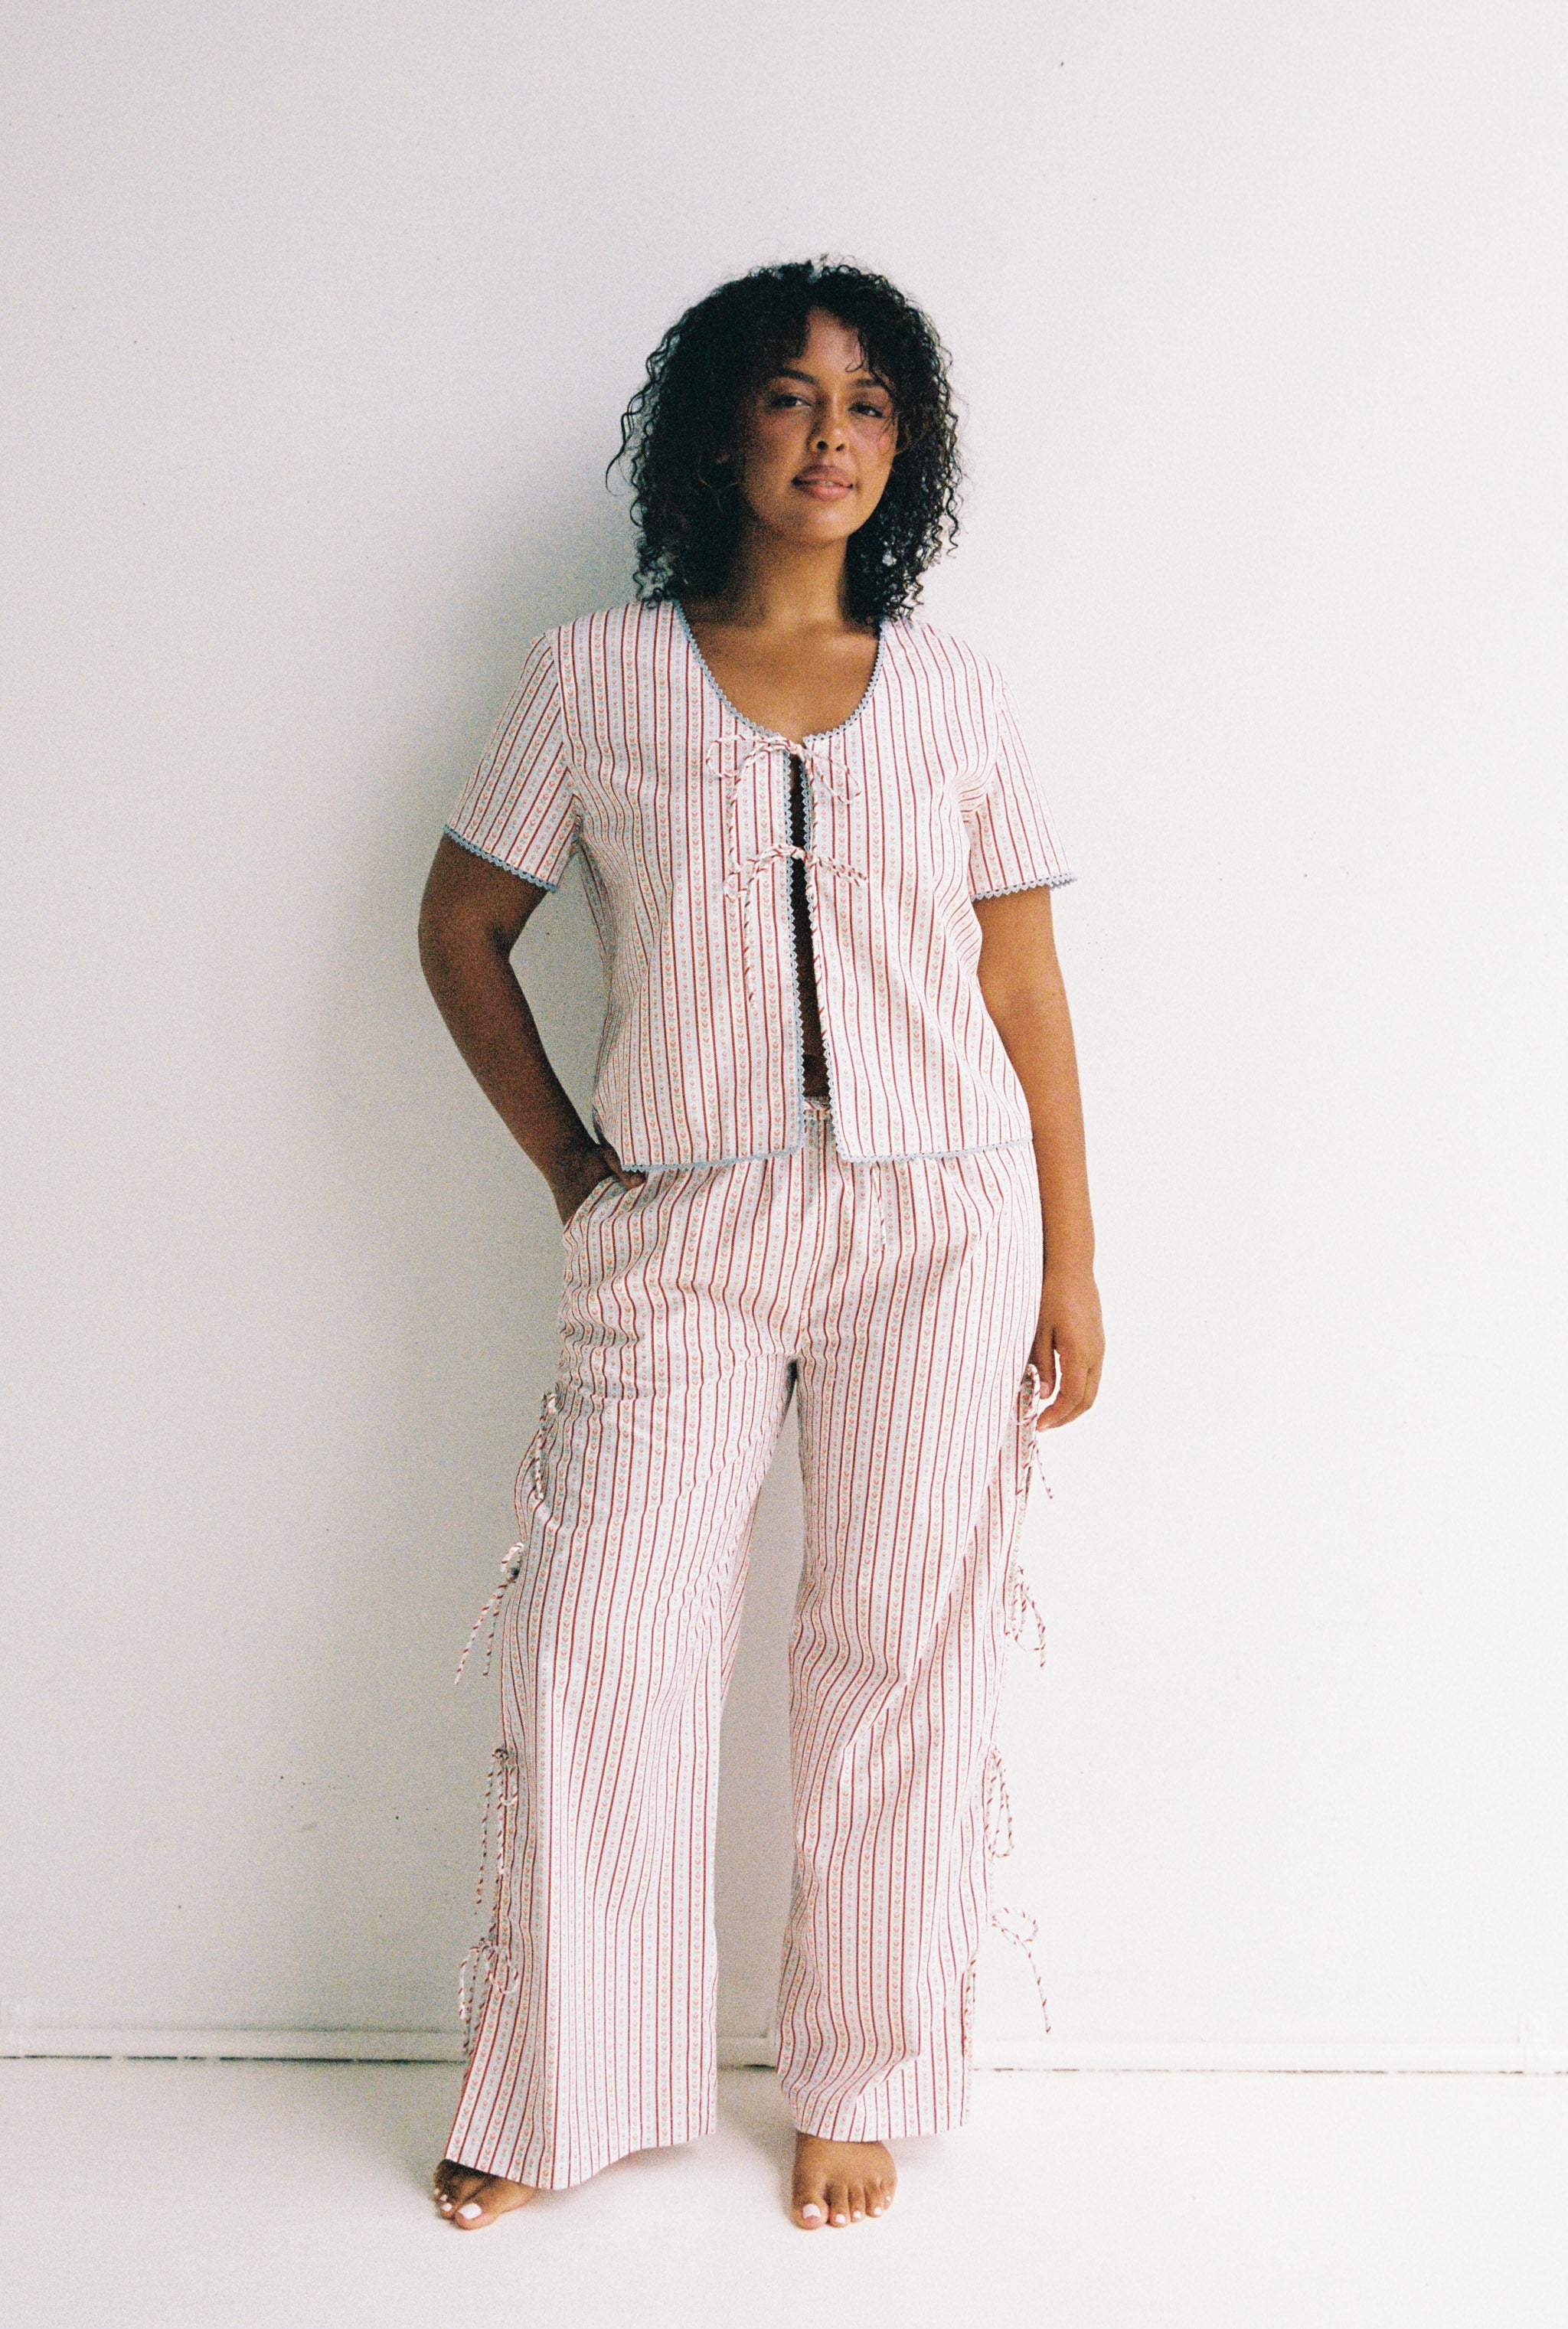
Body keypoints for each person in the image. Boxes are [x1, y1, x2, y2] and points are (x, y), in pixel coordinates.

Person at [418, 258, 1103, 2234]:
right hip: (683, 1222)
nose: (834, 438)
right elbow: (460, 925)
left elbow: (1029, 986)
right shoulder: (589, 677)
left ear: (912, 453)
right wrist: (572, 1159)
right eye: (795, 400)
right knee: (606, 1643)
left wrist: (1073, 1260)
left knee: (903, 1641)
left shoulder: (960, 690)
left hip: (938, 1221)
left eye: (873, 406)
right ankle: (557, 2081)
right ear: (720, 430)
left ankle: (864, 2072)